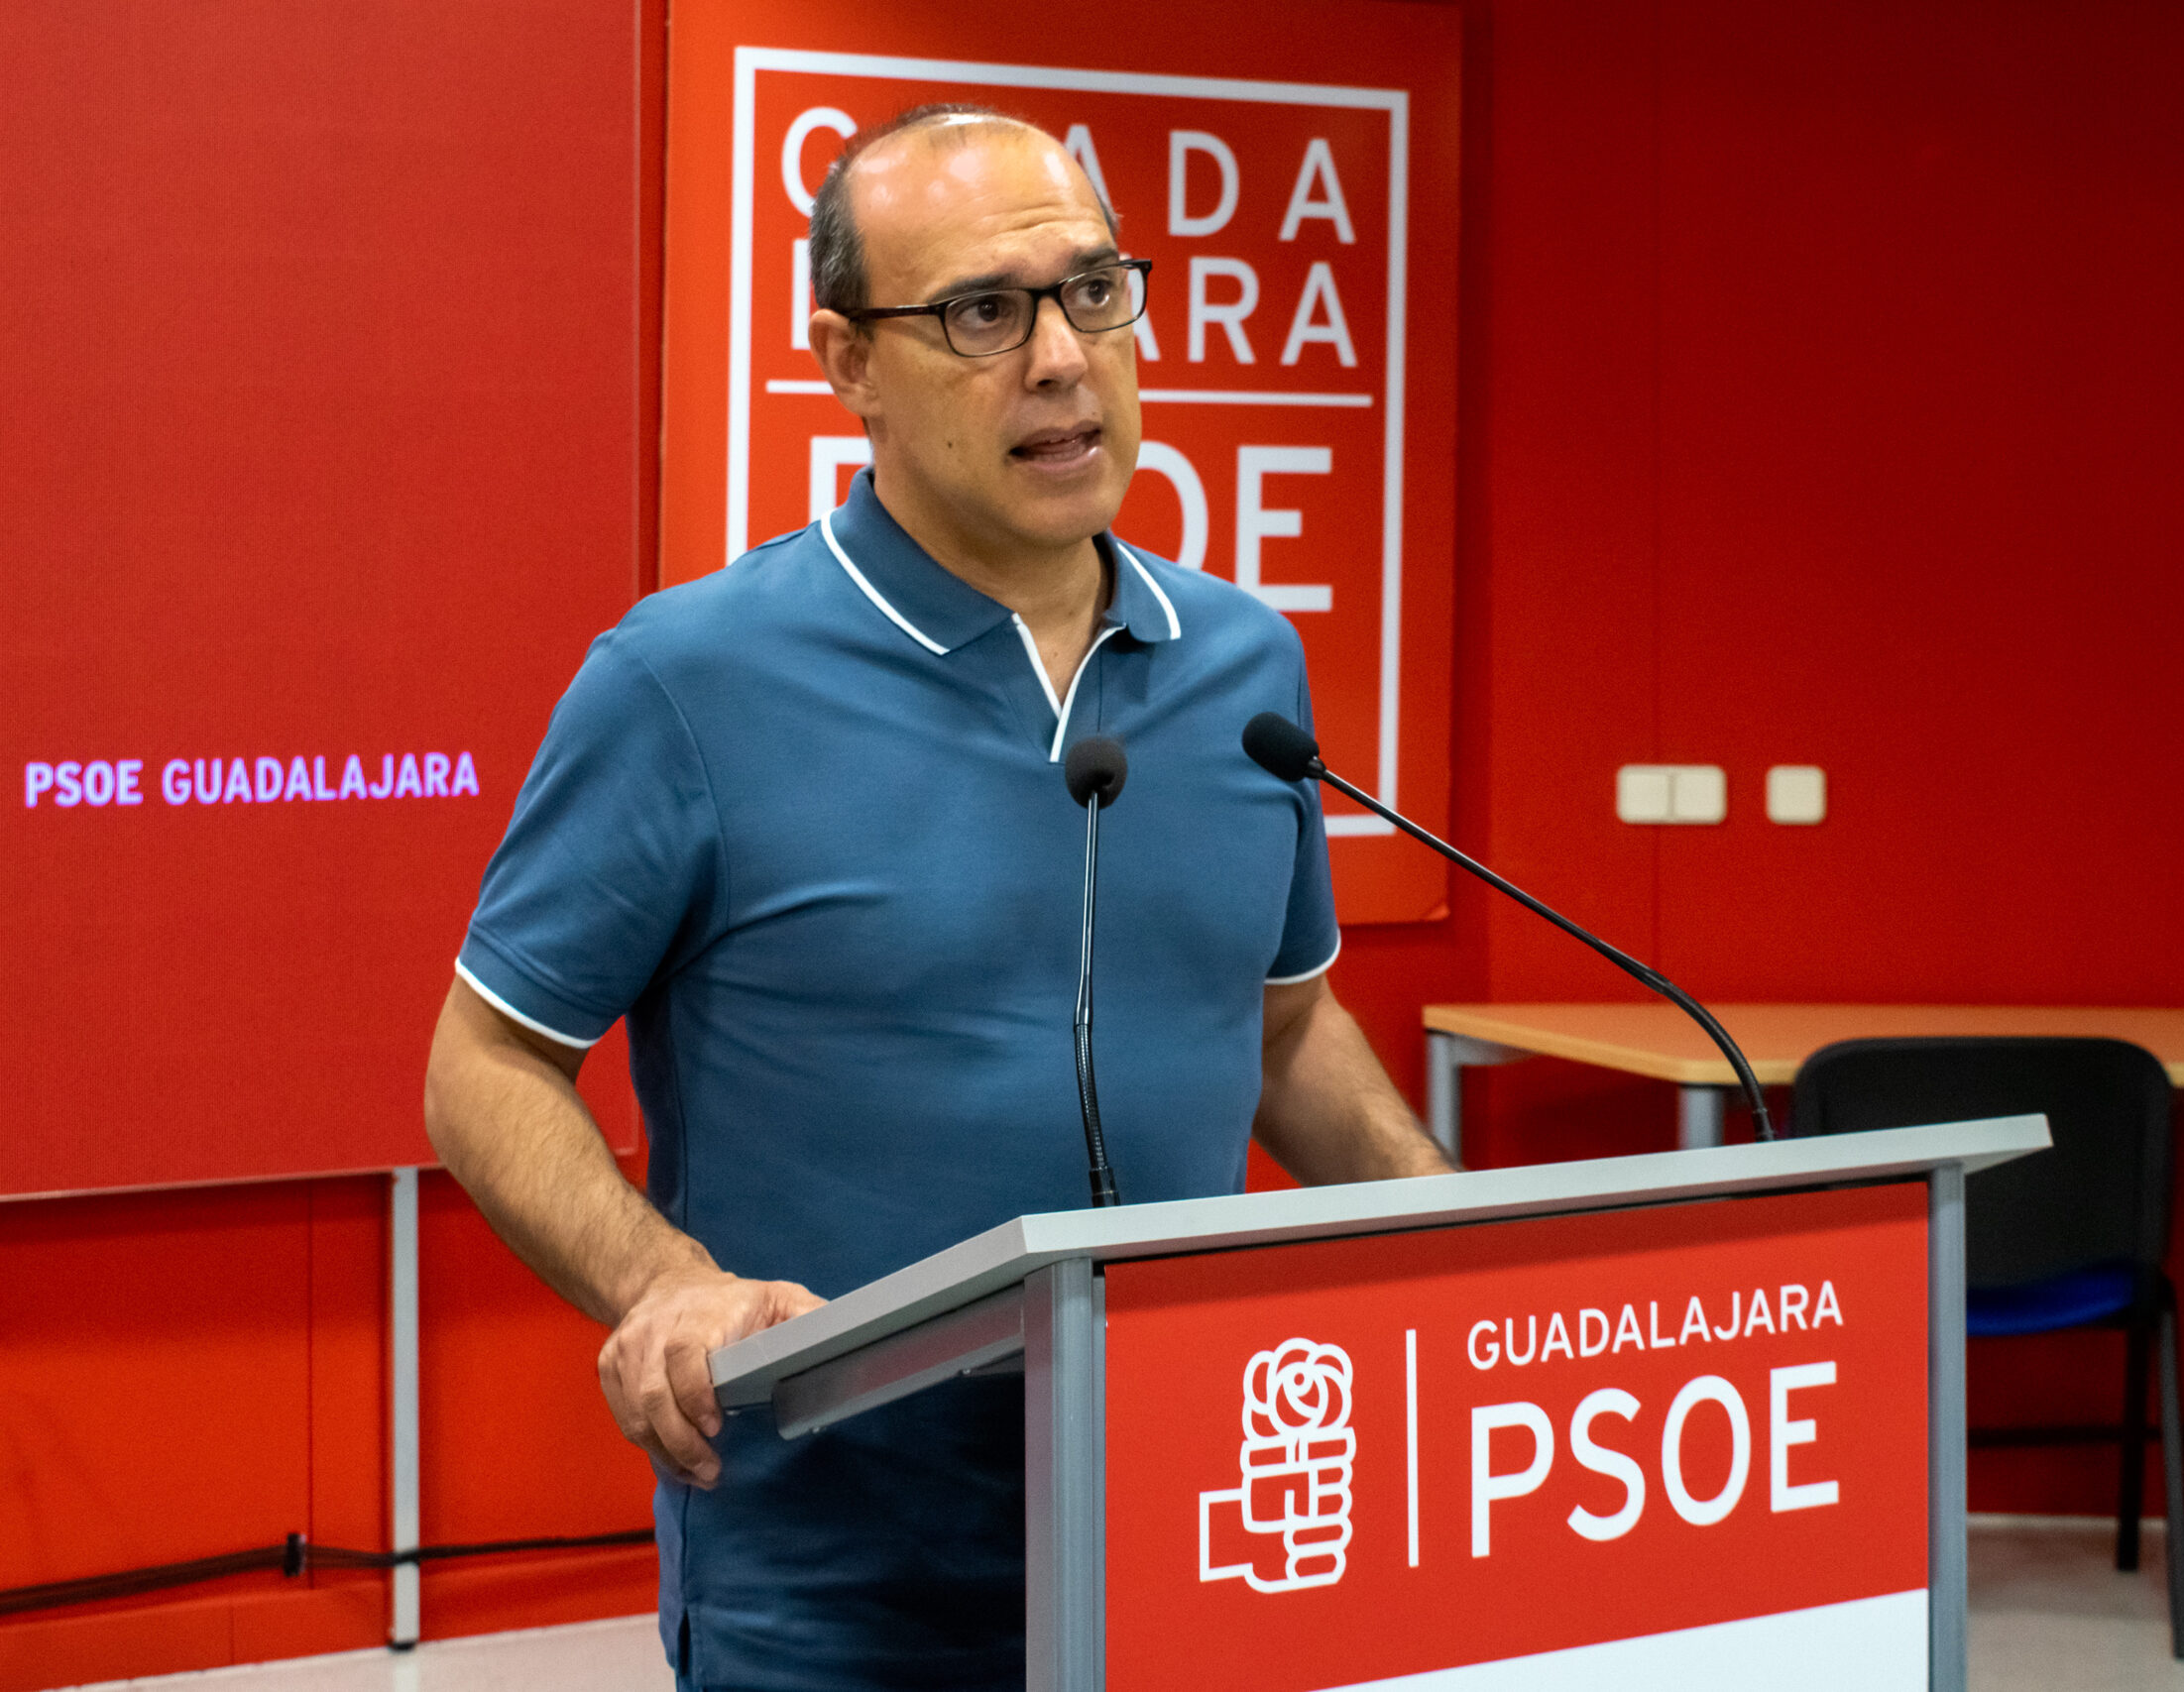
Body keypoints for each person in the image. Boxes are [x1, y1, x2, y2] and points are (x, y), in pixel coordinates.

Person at [422, 104, 1451, 1691]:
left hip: (1205, 1520)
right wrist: (664, 1284)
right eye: (983, 312)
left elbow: (1283, 1029)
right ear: (848, 361)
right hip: (839, 1579)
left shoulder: (1248, 665)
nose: (1062, 359)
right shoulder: (687, 678)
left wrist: (1467, 1253)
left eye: (1093, 290)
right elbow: (484, 1065)